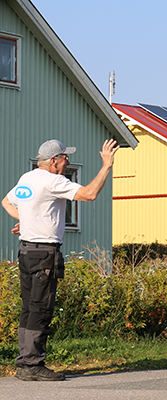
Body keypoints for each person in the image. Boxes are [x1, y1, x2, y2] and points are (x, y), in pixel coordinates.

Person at [2, 139, 119, 381]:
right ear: (53, 161)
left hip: (25, 252)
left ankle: (25, 361)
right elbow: (89, 194)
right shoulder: (54, 181)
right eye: (65, 157)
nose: (68, 161)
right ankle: (32, 364)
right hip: (45, 253)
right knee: (41, 309)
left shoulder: (28, 178)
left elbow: (6, 201)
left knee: (28, 308)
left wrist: (25, 220)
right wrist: (106, 165)